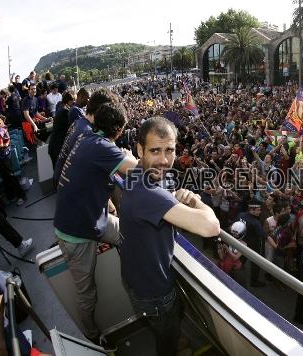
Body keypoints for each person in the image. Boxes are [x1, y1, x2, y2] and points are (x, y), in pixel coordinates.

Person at [120, 117, 219, 356]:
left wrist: (173, 196)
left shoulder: (136, 174)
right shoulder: (150, 195)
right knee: (166, 338)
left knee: (167, 329)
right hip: (155, 292)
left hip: (137, 280)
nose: (164, 160)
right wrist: (195, 201)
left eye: (170, 150)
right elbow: (211, 227)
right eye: (155, 151)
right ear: (140, 149)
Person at [53, 102, 138, 348]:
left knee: (129, 234)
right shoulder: (103, 147)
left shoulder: (89, 137)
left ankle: (132, 281)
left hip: (92, 218)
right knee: (87, 293)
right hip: (76, 233)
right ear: (119, 130)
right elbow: (140, 170)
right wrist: (131, 157)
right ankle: (91, 336)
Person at [53, 88, 117, 185]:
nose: (88, 101)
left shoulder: (79, 113)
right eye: (87, 98)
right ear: (80, 97)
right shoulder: (76, 113)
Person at [0, 114, 27, 206]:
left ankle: (22, 196)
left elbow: (4, 143)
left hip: (5, 157)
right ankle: (11, 196)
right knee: (5, 178)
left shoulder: (1, 128)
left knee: (11, 177)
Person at [239, 201, 266, 287]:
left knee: (241, 258)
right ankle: (254, 281)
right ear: (252, 210)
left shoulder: (241, 215)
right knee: (255, 263)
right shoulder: (255, 223)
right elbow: (262, 235)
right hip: (253, 245)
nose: (259, 211)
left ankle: (237, 269)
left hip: (242, 242)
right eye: (258, 210)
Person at [48, 91, 75, 167]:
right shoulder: (64, 112)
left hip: (54, 146)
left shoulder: (59, 105)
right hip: (57, 147)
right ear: (69, 101)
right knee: (59, 171)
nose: (73, 103)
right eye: (73, 101)